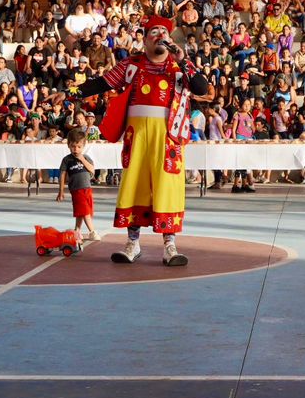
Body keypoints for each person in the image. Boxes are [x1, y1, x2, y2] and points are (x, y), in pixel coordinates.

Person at [74, 16, 212, 266]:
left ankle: (170, 246)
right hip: (136, 137)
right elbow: (100, 83)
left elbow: (202, 88)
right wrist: (70, 92)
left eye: (164, 31)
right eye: (154, 31)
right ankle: (132, 243)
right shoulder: (131, 64)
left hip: (168, 139)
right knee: (133, 185)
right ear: (145, 38)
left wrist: (184, 60)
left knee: (167, 187)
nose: (160, 34)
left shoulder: (179, 67)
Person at [55, 128, 98, 243]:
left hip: (87, 188)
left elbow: (92, 170)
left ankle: (77, 231)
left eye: (79, 147)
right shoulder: (67, 160)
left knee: (83, 211)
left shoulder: (86, 158)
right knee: (84, 211)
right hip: (76, 190)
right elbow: (62, 175)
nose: (76, 149)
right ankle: (92, 231)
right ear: (68, 145)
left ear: (83, 146)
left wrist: (82, 159)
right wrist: (61, 191)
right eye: (73, 146)